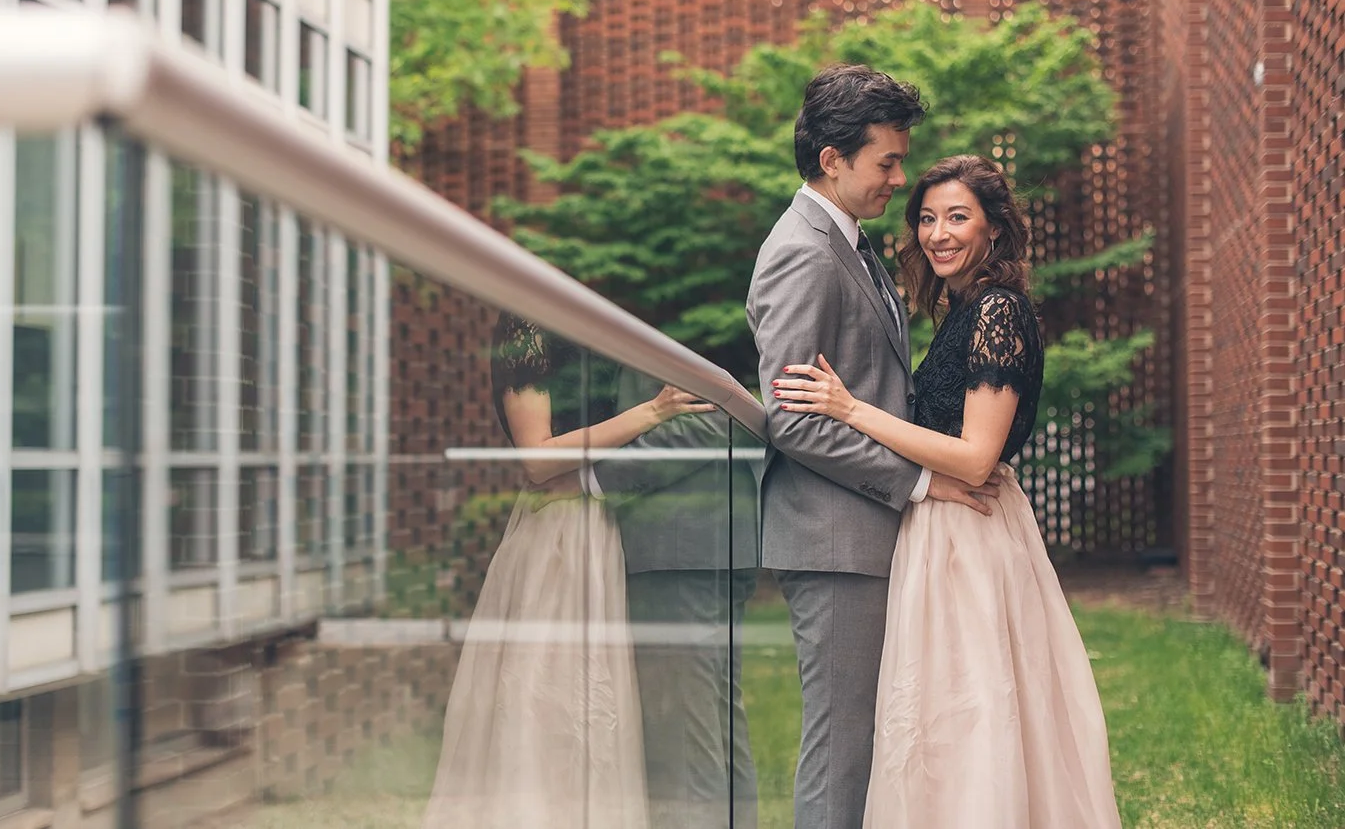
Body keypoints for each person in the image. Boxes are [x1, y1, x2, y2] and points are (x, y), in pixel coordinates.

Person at [773, 154, 1122, 828]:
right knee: (932, 717)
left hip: (973, 537)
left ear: (994, 228)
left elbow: (974, 457)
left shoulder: (997, 312)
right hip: (940, 532)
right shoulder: (960, 312)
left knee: (970, 715)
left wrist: (849, 410)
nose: (938, 233)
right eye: (926, 218)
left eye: (957, 217)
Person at [745, 64, 999, 829]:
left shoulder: (849, 244)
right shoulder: (802, 251)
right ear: (833, 159)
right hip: (833, 543)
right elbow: (790, 418)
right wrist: (919, 484)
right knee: (842, 746)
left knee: (875, 738)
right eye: (886, 162)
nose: (898, 177)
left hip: (863, 534)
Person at [421, 312, 715, 829]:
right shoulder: (524, 331)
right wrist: (652, 413)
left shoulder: (590, 322)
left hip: (597, 523)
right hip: (553, 532)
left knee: (592, 694)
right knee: (543, 690)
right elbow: (535, 459)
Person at [588, 365, 760, 829]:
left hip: (682, 548)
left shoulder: (672, 324)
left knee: (686, 739)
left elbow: (721, 417)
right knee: (715, 730)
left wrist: (600, 480)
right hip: (704, 544)